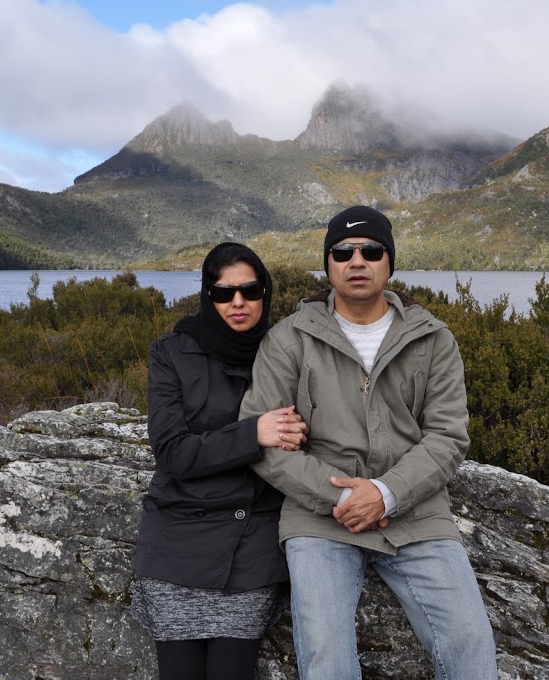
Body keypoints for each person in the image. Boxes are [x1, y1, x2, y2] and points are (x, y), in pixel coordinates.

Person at [239, 206, 499, 679]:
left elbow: (447, 437)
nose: (357, 261)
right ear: (329, 264)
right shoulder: (289, 339)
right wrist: (342, 495)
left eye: (371, 250)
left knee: (470, 643)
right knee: (325, 654)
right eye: (342, 252)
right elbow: (266, 440)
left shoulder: (434, 340)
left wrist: (385, 493)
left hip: (416, 513)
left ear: (389, 262)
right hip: (320, 514)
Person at [131, 242, 309, 680]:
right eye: (223, 293)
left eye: (249, 291)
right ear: (207, 296)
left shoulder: (287, 352)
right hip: (178, 539)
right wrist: (254, 434)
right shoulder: (171, 353)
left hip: (250, 544)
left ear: (265, 292)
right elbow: (173, 452)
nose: (238, 303)